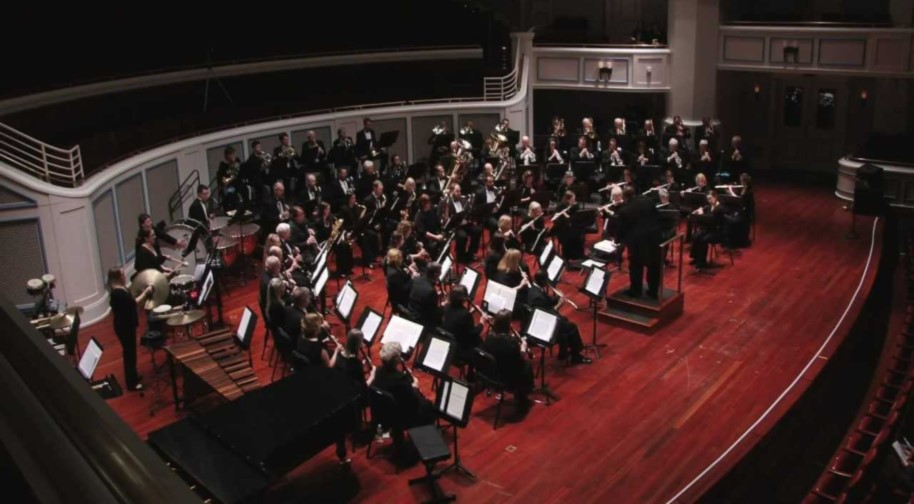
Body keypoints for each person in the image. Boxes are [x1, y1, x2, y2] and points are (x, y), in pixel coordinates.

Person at [528, 272, 591, 364]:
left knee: (565, 321)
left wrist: (557, 298)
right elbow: (545, 315)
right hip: (543, 324)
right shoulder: (537, 296)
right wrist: (559, 305)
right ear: (542, 281)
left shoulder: (535, 288)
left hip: (545, 317)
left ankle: (563, 353)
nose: (547, 283)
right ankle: (576, 357)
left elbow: (547, 301)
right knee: (572, 327)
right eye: (546, 280)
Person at [108, 266, 153, 392]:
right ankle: (131, 384)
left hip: (126, 324)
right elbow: (134, 303)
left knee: (131, 352)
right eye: (122, 274)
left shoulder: (119, 289)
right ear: (117, 277)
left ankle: (133, 376)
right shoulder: (118, 293)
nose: (124, 276)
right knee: (129, 353)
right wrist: (146, 293)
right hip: (124, 327)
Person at [481, 310, 533, 413]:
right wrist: (523, 348)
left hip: (492, 373)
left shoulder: (489, 337)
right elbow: (518, 360)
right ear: (507, 325)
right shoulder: (510, 343)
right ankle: (522, 397)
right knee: (526, 366)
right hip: (505, 377)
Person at [374, 341, 437, 427]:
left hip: (383, 411)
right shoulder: (401, 379)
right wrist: (415, 387)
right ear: (397, 360)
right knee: (428, 405)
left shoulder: (378, 371)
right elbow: (414, 402)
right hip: (400, 417)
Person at [616, 187, 662, 298]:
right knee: (654, 265)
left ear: (625, 197)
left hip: (637, 243)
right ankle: (653, 291)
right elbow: (657, 217)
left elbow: (622, 230)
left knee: (636, 266)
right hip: (654, 238)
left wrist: (617, 240)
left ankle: (636, 291)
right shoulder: (648, 201)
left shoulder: (624, 210)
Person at [442, 285, 485, 363]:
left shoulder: (446, 307)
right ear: (464, 299)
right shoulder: (465, 314)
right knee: (480, 343)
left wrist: (470, 312)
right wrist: (481, 323)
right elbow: (472, 333)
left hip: (448, 340)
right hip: (460, 347)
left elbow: (457, 320)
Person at [408, 262, 442, 328]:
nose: (441, 273)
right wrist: (443, 307)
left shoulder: (417, 279)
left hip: (412, 311)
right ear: (435, 274)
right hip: (421, 320)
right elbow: (432, 313)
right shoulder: (431, 291)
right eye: (440, 272)